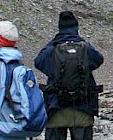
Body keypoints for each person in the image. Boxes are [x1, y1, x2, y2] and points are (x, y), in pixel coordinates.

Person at [34, 11, 104, 140]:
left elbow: (38, 62)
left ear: (60, 29)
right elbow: (99, 59)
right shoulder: (85, 48)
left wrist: (54, 42)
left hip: (56, 109)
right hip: (83, 109)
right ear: (76, 29)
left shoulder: (52, 49)